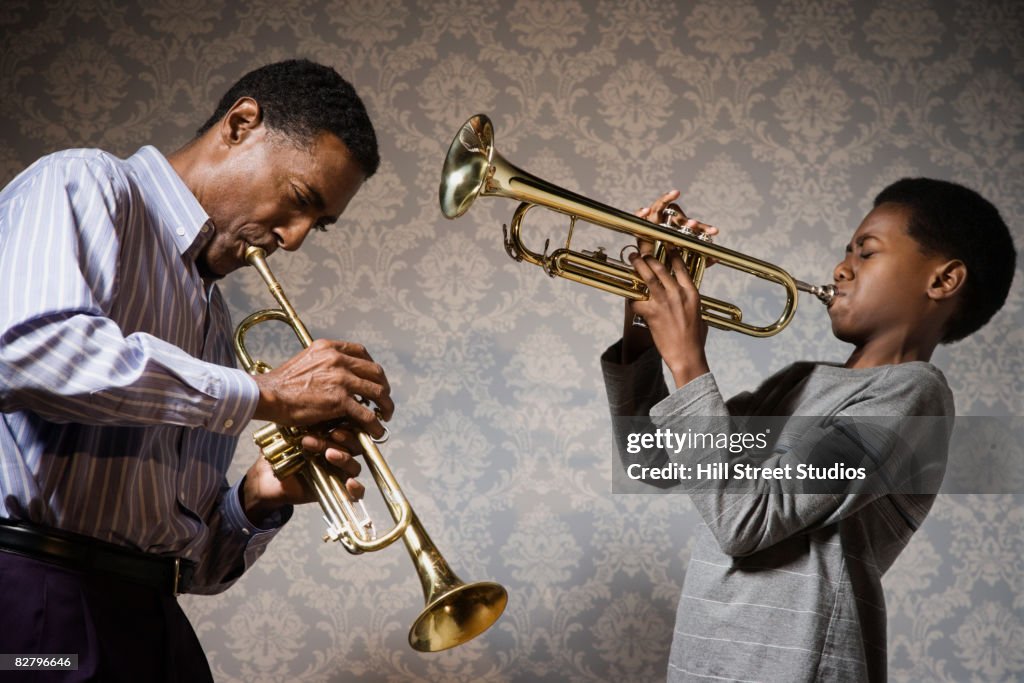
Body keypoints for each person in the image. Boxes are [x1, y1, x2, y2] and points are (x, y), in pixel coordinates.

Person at [0, 59, 392, 682]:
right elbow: (27, 348)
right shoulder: (87, 182)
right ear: (241, 125)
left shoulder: (213, 324)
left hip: (153, 624)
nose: (293, 239)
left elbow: (195, 567)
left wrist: (258, 498)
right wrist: (263, 392)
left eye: (317, 225)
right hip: (36, 607)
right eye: (298, 201)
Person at [602, 181, 1016, 682]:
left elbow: (743, 521)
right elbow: (650, 459)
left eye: (866, 253)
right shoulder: (799, 383)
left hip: (794, 666)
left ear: (943, 280)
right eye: (846, 252)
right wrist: (644, 327)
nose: (841, 268)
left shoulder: (914, 398)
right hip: (709, 661)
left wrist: (687, 360)